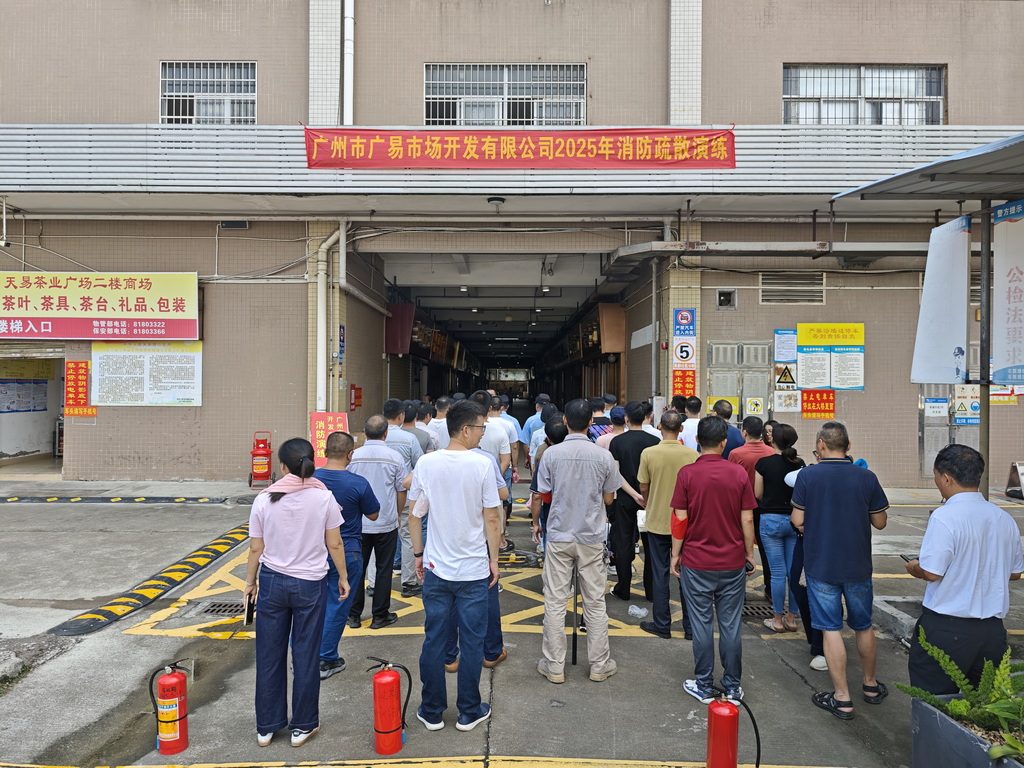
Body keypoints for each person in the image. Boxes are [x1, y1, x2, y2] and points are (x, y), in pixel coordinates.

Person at [244, 438, 349, 748]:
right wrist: (343, 577)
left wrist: (250, 583)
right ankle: (302, 726)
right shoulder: (324, 497)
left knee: (269, 654)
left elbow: (255, 548)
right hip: (310, 585)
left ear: (282, 466)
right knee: (305, 655)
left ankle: (266, 727)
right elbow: (335, 543)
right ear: (312, 461)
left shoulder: (264, 499)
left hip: (272, 582)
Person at [408, 398, 502, 732]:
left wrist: (418, 554)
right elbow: (492, 518)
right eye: (481, 428)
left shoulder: (427, 464)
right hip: (474, 570)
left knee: (435, 639)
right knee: (473, 642)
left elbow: (415, 515)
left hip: (437, 569)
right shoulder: (482, 465)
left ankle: (432, 710)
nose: (483, 433)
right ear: (465, 429)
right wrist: (494, 560)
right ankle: (469, 711)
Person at [905, 444, 1024, 694]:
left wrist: (915, 567)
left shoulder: (944, 517)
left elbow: (932, 572)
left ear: (946, 478)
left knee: (933, 701)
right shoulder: (1004, 519)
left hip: (947, 629)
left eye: (936, 476)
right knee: (984, 706)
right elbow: (1015, 573)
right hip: (992, 632)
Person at [792, 421, 889, 720]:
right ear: (848, 446)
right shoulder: (866, 477)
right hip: (858, 564)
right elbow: (880, 522)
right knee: (863, 625)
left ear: (820, 445)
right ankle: (870, 686)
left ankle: (842, 698)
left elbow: (797, 520)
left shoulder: (808, 475)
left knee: (830, 628)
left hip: (821, 564)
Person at [535, 398, 622, 684]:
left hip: (559, 533)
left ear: (565, 422)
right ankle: (599, 664)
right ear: (590, 423)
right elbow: (609, 498)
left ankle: (554, 665)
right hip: (591, 535)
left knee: (555, 601)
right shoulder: (603, 456)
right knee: (594, 602)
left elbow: (545, 493)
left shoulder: (551, 454)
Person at [670, 416, 756, 703]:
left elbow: (680, 519)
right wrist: (748, 553)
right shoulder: (738, 473)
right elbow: (747, 518)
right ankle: (732, 686)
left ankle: (704, 685)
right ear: (723, 442)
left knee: (701, 623)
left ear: (697, 441)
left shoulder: (687, 474)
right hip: (732, 561)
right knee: (731, 625)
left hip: (696, 561)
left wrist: (676, 554)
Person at [315, 431, 380, 679]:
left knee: (310, 605)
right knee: (337, 605)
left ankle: (304, 654)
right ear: (350, 455)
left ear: (324, 452)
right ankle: (325, 659)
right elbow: (374, 514)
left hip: (312, 551)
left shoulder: (311, 479)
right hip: (348, 551)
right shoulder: (358, 483)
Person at [637, 409, 698, 639]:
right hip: (686, 522)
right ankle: (691, 627)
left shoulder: (649, 453)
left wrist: (650, 500)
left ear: (660, 427)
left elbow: (643, 486)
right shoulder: (692, 455)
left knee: (660, 573)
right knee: (687, 574)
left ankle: (662, 624)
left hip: (657, 521)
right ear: (681, 428)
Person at [346, 415, 407, 631]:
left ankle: (353, 615)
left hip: (358, 524)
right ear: (385, 433)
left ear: (364, 433)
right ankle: (380, 616)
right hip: (385, 522)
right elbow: (401, 489)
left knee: (357, 570)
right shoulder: (395, 457)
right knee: (383, 569)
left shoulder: (353, 456)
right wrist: (397, 514)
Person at [753, 423, 803, 634]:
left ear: (772, 439)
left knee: (777, 573)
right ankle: (792, 618)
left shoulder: (763, 463)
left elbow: (757, 494)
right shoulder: (799, 463)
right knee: (793, 572)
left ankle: (777, 620)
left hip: (770, 520)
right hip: (794, 520)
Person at [607, 401, 659, 601]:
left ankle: (623, 589)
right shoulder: (655, 441)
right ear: (646, 417)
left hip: (625, 499)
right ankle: (651, 592)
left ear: (626, 419)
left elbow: (616, 475)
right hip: (650, 500)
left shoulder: (617, 442)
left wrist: (634, 495)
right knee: (651, 545)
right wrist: (643, 496)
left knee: (623, 543)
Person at [728, 416, 775, 598]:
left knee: (740, 547)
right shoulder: (771, 451)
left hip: (741, 507)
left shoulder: (736, 454)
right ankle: (770, 590)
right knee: (767, 549)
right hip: (765, 506)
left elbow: (731, 482)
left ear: (745, 432)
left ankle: (738, 592)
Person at [384, 397, 425, 598]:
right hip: (406, 494)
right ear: (401, 416)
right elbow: (420, 465)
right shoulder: (409, 439)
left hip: (381, 497)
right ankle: (409, 582)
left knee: (376, 538)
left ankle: (373, 584)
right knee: (408, 536)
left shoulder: (375, 438)